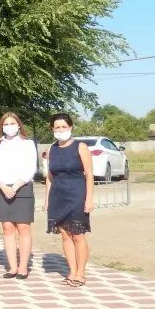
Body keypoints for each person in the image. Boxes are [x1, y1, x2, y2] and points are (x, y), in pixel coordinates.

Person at [45, 113, 94, 287]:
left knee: (77, 235)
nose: (60, 130)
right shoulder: (52, 149)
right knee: (65, 235)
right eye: (57, 127)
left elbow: (89, 175)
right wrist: (47, 200)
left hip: (77, 195)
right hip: (58, 196)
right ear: (52, 129)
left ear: (71, 127)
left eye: (63, 127)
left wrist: (89, 199)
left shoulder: (80, 147)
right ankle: (71, 271)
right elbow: (50, 177)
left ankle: (81, 273)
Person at [0, 113, 37, 280]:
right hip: (2, 189)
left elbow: (31, 167)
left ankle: (23, 267)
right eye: (5, 124)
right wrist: (2, 185)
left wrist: (16, 186)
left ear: (18, 125)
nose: (9, 126)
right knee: (7, 228)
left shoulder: (28, 144)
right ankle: (12, 267)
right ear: (1, 127)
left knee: (23, 228)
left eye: (12, 123)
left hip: (22, 187)